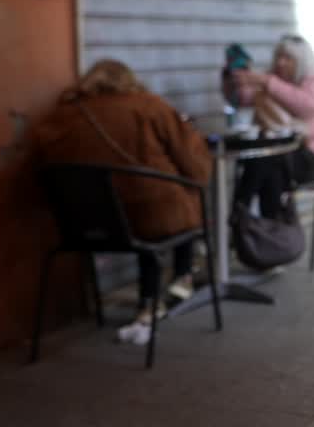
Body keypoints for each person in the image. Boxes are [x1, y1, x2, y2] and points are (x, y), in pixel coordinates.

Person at [33, 59, 211, 346]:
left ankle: (157, 296)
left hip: (82, 226)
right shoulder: (149, 107)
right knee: (167, 202)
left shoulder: (61, 117)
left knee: (140, 207)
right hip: (149, 220)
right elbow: (197, 168)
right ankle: (180, 276)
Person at [225, 34, 314, 218]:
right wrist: (233, 80)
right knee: (266, 164)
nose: (281, 62)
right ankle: (266, 225)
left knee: (264, 161)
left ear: (302, 61)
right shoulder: (272, 83)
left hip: (309, 158)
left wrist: (267, 82)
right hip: (279, 159)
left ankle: (240, 214)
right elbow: (243, 98)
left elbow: (305, 105)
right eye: (279, 57)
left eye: (288, 58)